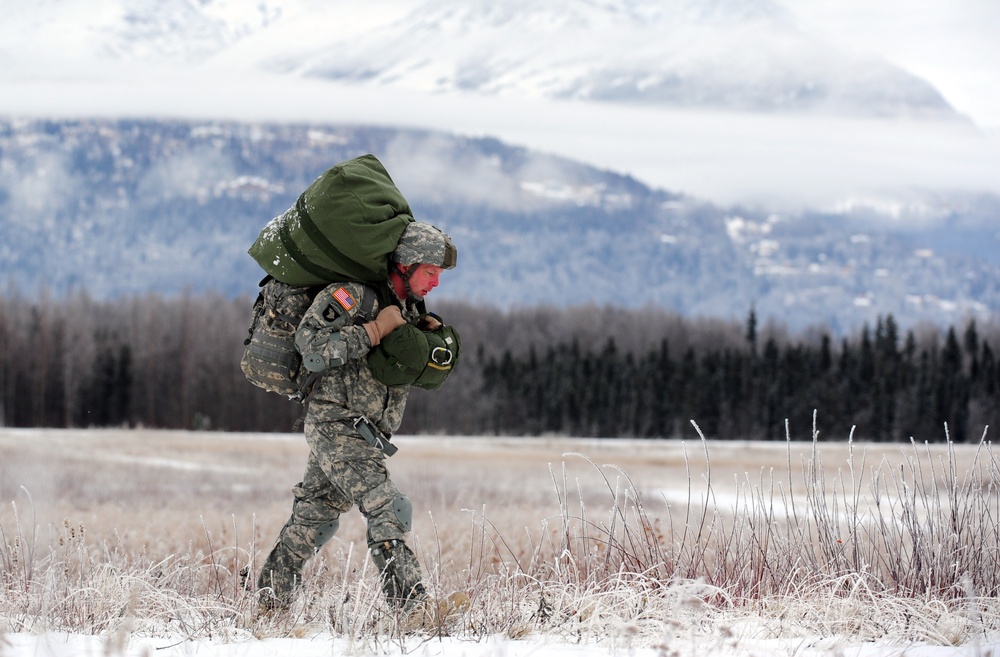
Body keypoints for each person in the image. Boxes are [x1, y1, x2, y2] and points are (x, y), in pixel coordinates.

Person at [256, 221, 459, 617]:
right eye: (430, 272)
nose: (436, 283)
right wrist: (373, 331)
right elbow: (310, 346)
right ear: (405, 264)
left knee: (314, 518)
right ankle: (413, 609)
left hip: (366, 432)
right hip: (335, 422)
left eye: (440, 275)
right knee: (389, 507)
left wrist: (424, 339)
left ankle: (268, 604)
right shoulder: (353, 297)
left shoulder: (410, 308)